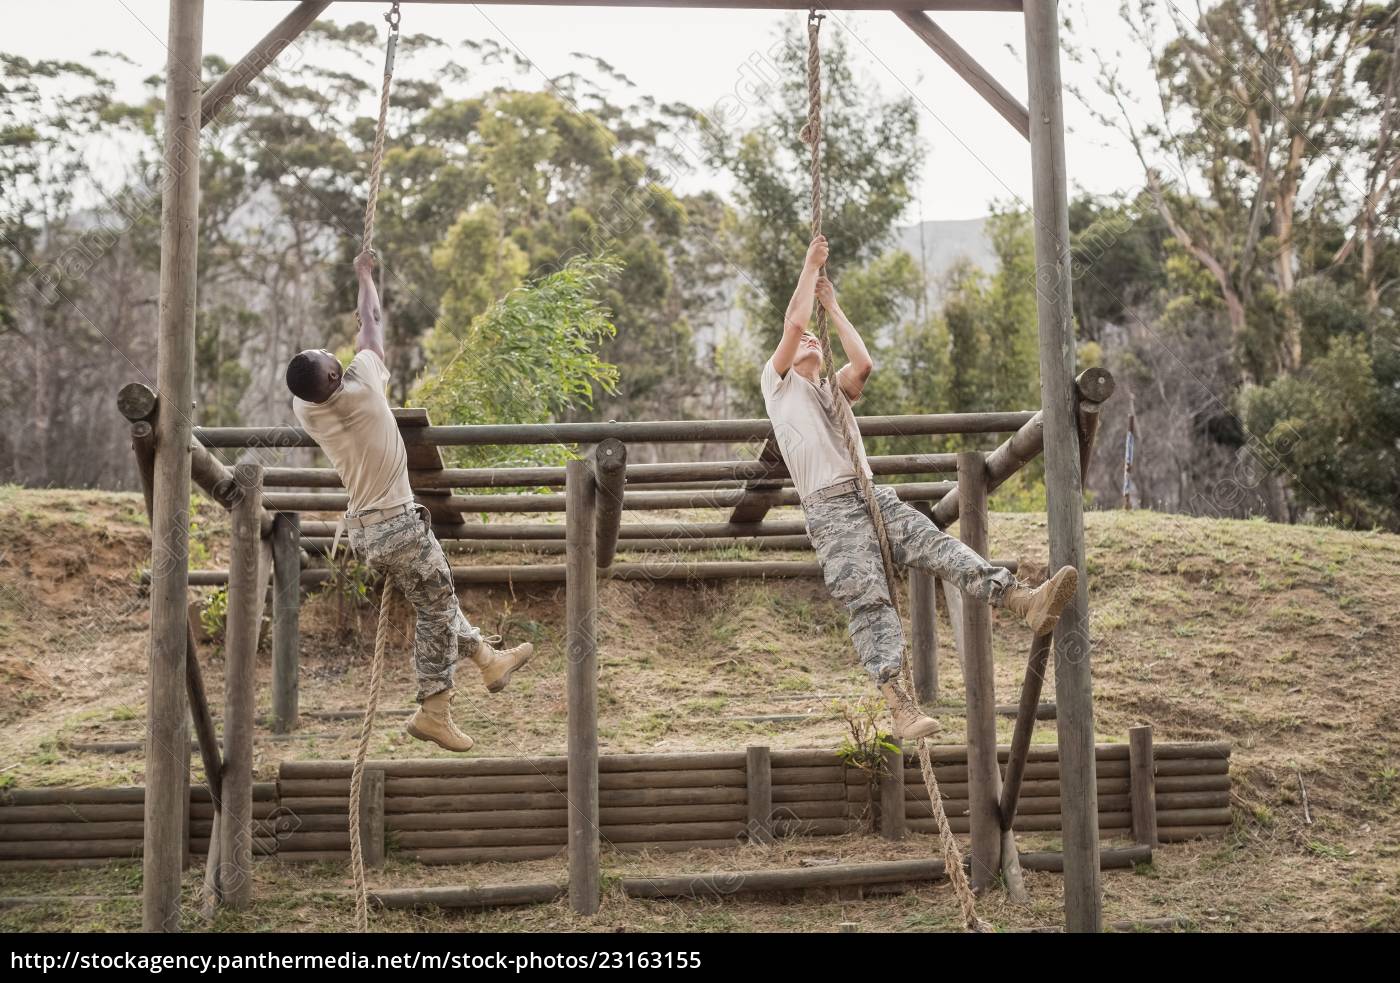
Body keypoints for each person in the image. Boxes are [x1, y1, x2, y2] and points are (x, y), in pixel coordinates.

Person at [761, 235, 1078, 739]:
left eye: (815, 340)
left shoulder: (832, 391)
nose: (811, 340)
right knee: (868, 597)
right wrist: (809, 267)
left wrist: (834, 309)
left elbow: (862, 365)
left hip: (870, 495)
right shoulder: (777, 387)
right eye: (805, 343)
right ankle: (898, 702)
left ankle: (1020, 599)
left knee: (938, 545)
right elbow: (794, 324)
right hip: (830, 509)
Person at [284, 251, 533, 753]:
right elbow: (371, 324)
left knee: (434, 600)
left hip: (364, 530)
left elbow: (344, 349)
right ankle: (433, 710)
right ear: (336, 378)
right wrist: (365, 275)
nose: (340, 356)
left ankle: (488, 659)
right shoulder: (364, 387)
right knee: (436, 612)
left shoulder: (306, 409)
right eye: (334, 360)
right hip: (398, 523)